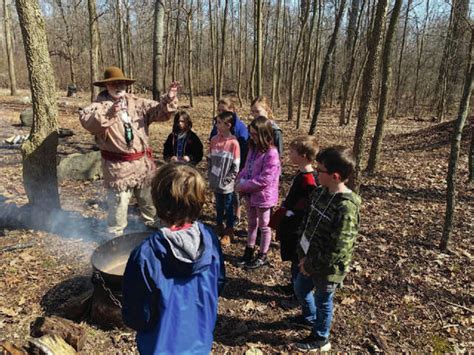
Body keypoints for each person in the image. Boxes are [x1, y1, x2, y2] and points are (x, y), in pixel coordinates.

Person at [122, 163, 226, 355]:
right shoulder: (210, 240)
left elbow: (136, 315)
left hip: (160, 346)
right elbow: (218, 283)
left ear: (157, 201)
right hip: (199, 340)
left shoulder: (146, 254)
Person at [79, 66, 178, 237]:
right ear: (106, 86)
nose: (118, 87)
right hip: (119, 169)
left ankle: (156, 237)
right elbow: (89, 123)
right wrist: (110, 113)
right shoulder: (97, 107)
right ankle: (115, 243)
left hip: (142, 167)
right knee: (118, 210)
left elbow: (159, 112)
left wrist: (168, 99)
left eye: (122, 83)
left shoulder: (137, 103)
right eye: (113, 84)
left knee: (150, 206)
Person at [293, 146, 361, 352]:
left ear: (335, 176)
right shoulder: (320, 193)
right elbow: (307, 222)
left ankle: (321, 336)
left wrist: (312, 264)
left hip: (328, 268)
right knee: (301, 288)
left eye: (319, 169)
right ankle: (309, 317)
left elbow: (339, 248)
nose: (315, 171)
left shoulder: (346, 208)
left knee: (323, 300)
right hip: (308, 258)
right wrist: (302, 254)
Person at [235, 116, 281, 269]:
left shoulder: (272, 153)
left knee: (264, 225)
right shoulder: (252, 149)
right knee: (252, 223)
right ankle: (249, 249)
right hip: (250, 194)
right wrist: (239, 180)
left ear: (264, 134)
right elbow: (246, 168)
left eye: (255, 135)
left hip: (263, 196)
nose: (252, 138)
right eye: (251, 134)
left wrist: (244, 186)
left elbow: (265, 180)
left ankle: (263, 254)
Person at [276, 136, 318, 300]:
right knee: (293, 256)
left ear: (303, 156)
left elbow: (308, 205)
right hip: (292, 222)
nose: (289, 154)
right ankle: (293, 284)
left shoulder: (309, 180)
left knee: (297, 256)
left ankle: (297, 290)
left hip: (298, 225)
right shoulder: (300, 174)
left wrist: (292, 213)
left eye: (292, 151)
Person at [210, 98, 249, 225]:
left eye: (224, 110)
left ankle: (234, 217)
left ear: (232, 111)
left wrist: (236, 172)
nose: (220, 112)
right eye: (219, 110)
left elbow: (243, 149)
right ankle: (221, 223)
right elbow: (213, 141)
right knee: (221, 202)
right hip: (219, 171)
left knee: (234, 197)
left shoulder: (240, 128)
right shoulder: (218, 126)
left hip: (235, 167)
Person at [208, 111, 241, 245]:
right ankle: (219, 225)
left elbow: (236, 166)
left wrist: (227, 180)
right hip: (216, 182)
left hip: (227, 185)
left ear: (228, 125)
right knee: (219, 206)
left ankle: (229, 230)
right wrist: (211, 175)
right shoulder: (214, 140)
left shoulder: (234, 143)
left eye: (219, 123)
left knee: (228, 206)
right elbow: (209, 159)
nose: (216, 125)